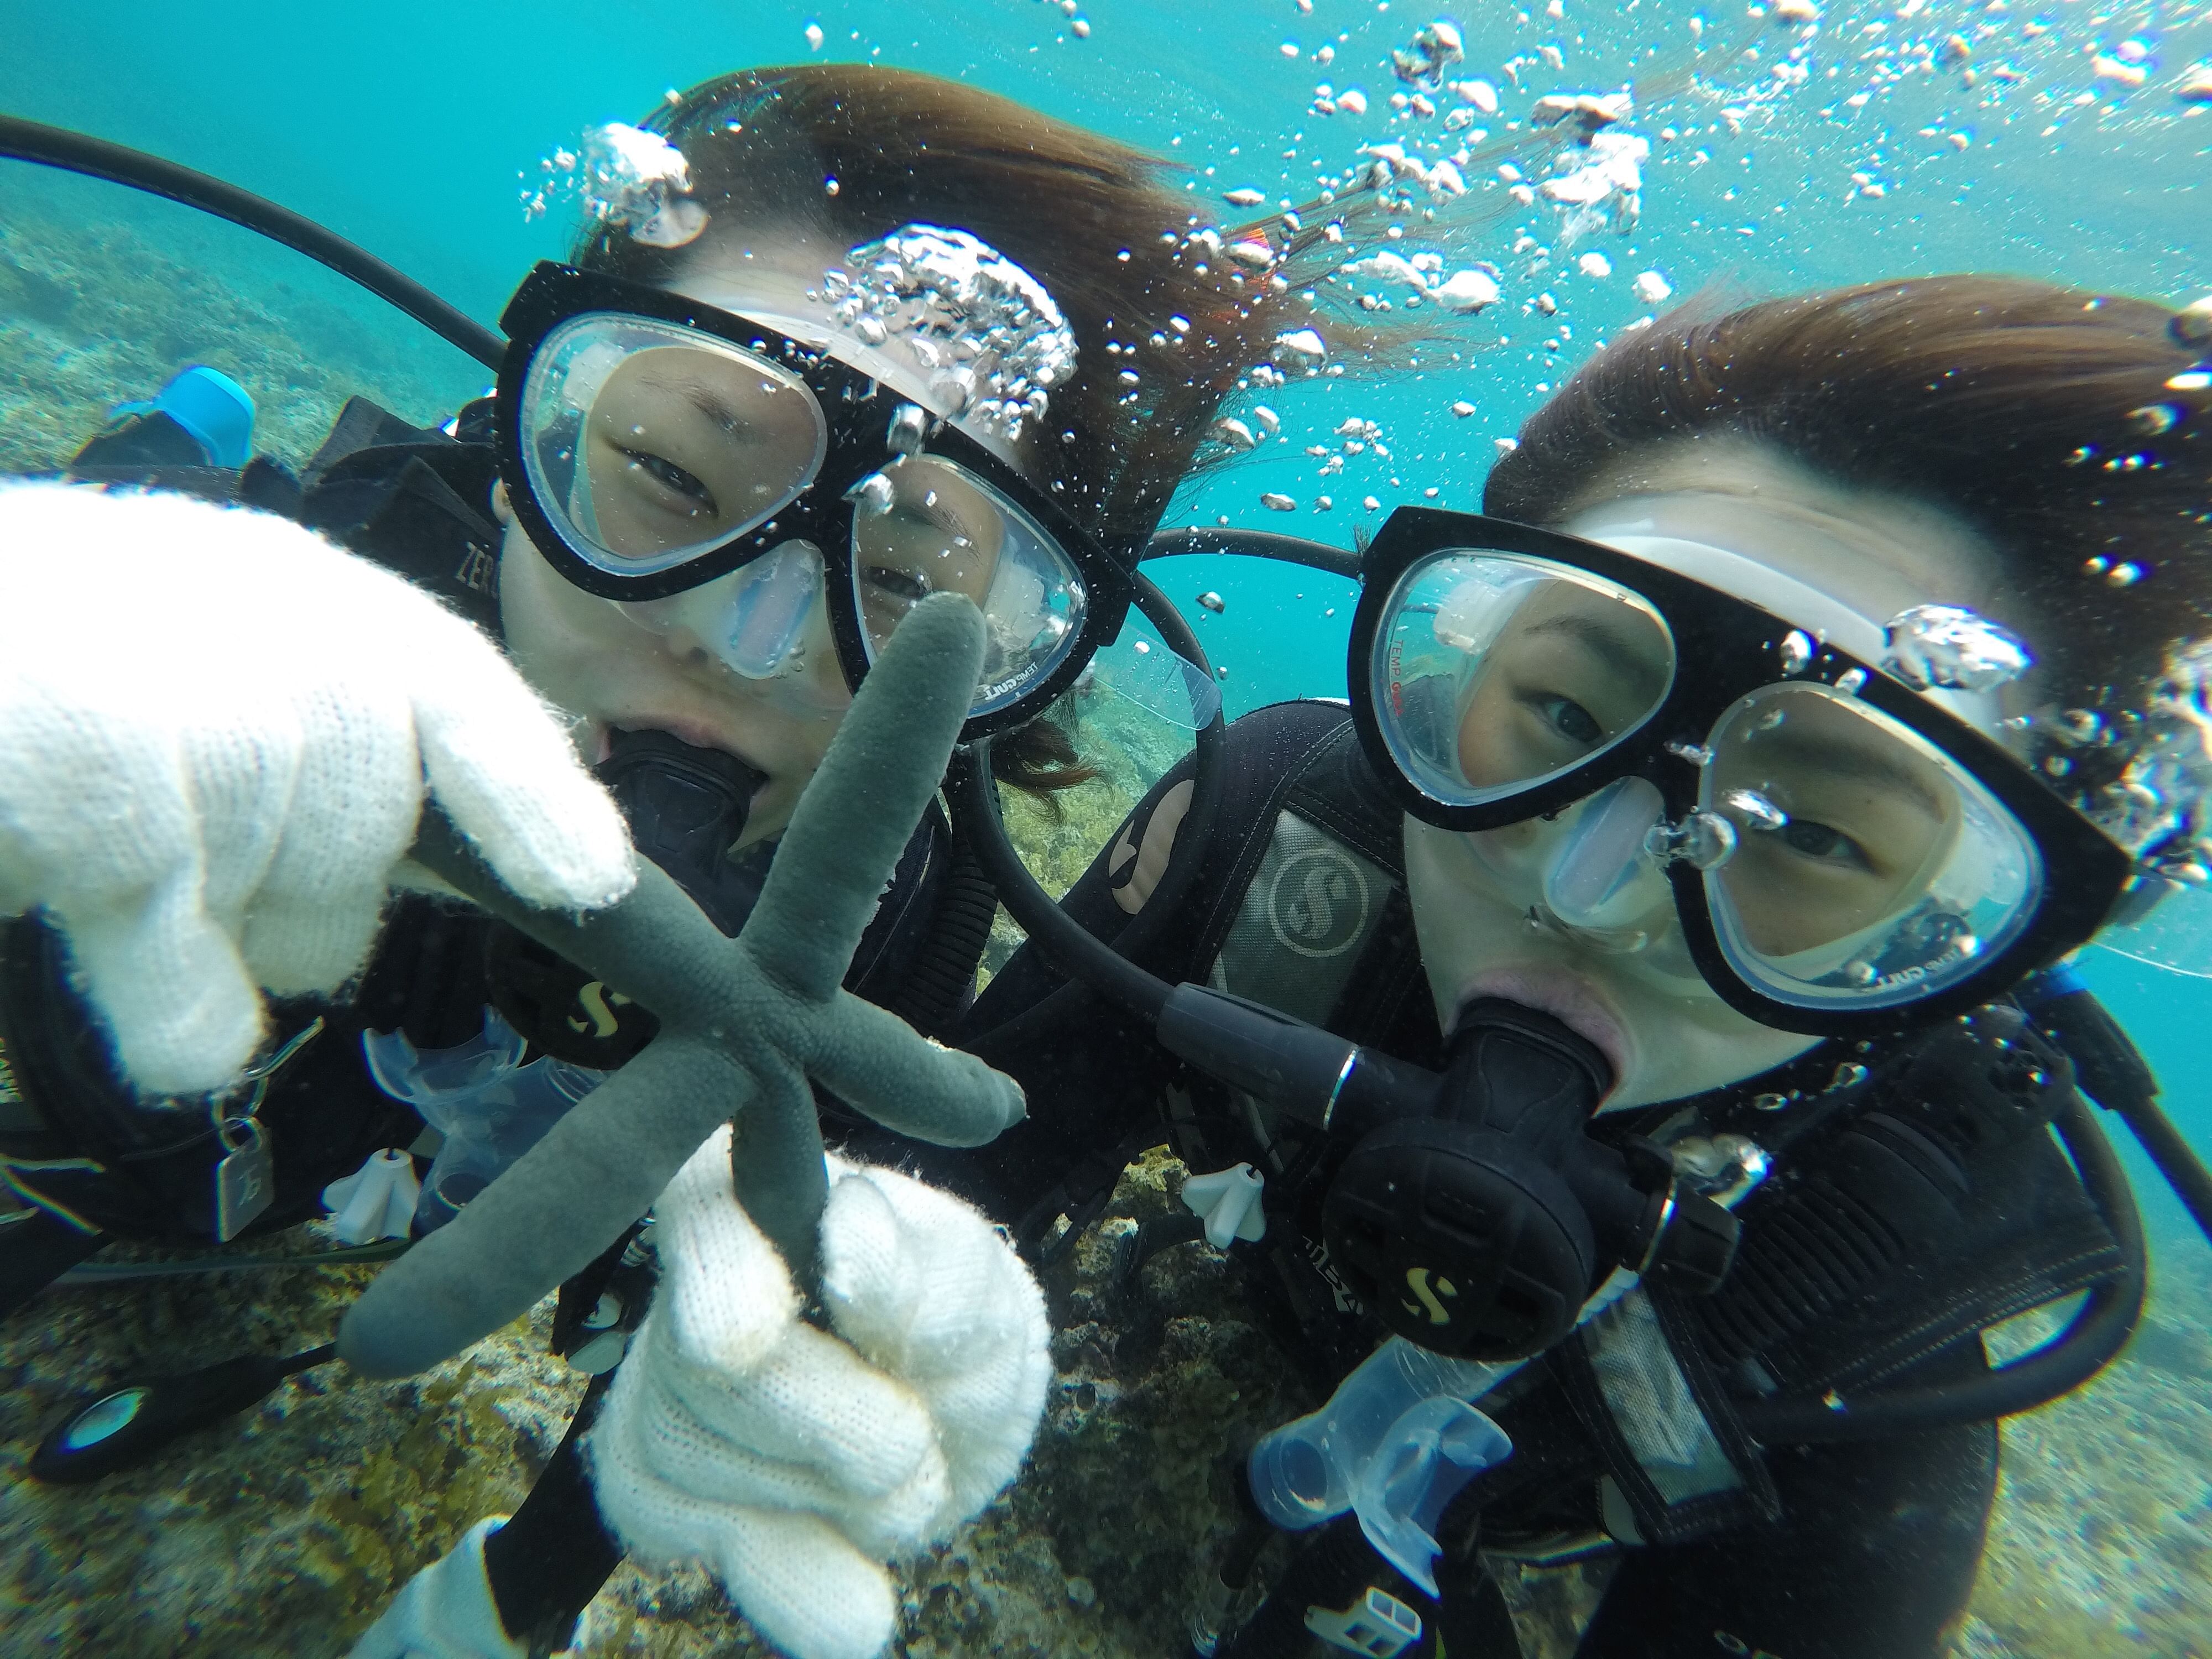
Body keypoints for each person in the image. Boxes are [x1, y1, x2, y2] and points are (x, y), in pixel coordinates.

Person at [0, 64, 1317, 1659]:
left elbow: (741, 1322)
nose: (731, 641)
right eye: (675, 477)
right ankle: (177, 428)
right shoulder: (286, 639)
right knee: (144, 501)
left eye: (901, 580)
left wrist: (526, 1586)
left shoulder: (896, 931)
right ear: (530, 432)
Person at [938, 274, 2212, 1658]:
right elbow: (943, 1185)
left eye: (1808, 833)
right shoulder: (1268, 834)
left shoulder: (1877, 1268)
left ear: (1945, 937)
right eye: (1557, 709)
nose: (1584, 893)